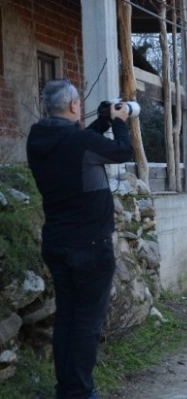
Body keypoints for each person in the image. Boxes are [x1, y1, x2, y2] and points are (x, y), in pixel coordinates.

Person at [26, 79, 133, 399]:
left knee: (68, 318)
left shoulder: (39, 140)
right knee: (86, 323)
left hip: (58, 243)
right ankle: (80, 393)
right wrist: (120, 122)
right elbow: (121, 151)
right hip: (90, 247)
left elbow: (80, 143)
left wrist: (102, 121)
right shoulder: (78, 143)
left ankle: (68, 389)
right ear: (74, 106)